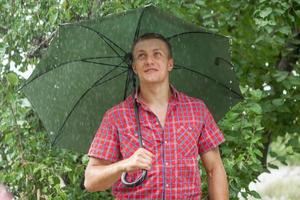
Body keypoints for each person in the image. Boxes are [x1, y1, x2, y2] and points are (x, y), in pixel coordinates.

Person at [84, 33, 229, 199]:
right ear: (134, 67)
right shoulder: (116, 116)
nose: (149, 61)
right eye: (141, 56)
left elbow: (214, 169)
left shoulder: (196, 109)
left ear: (170, 64)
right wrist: (124, 164)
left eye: (157, 54)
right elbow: (91, 180)